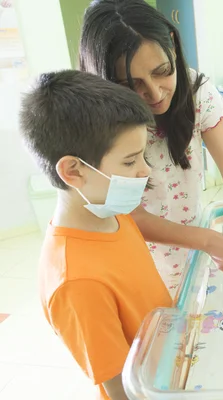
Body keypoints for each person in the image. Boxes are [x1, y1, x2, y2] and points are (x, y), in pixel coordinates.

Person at [78, 0, 223, 297]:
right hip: (137, 254)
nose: (156, 94)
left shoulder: (196, 91)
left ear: (172, 46)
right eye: (133, 85)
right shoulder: (98, 118)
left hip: (189, 243)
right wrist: (207, 240)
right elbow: (127, 215)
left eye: (162, 71)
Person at [21, 70, 172, 400]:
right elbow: (120, 388)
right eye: (131, 161)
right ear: (73, 171)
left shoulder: (111, 210)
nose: (145, 171)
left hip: (167, 366)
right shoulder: (77, 283)